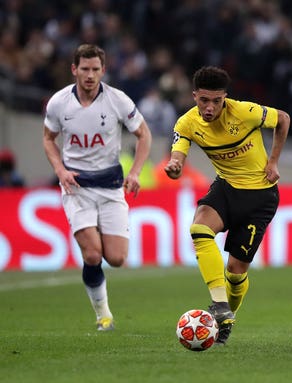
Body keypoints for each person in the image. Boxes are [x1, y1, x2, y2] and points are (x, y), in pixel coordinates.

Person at [164, 66, 290, 345]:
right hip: (227, 188)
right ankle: (219, 304)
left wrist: (273, 160)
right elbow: (178, 154)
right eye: (204, 100)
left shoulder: (245, 112)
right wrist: (175, 165)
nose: (210, 108)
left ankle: (227, 315)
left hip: (260, 197)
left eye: (216, 101)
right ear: (194, 96)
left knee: (236, 271)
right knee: (199, 228)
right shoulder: (186, 123)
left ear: (225, 98)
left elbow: (283, 119)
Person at [42, 44, 152, 331]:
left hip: (112, 186)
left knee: (116, 258)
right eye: (84, 69)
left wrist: (136, 172)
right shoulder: (59, 103)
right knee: (92, 255)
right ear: (74, 69)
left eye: (95, 69)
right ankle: (104, 316)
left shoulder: (118, 100)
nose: (89, 75)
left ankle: (99, 237)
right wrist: (60, 170)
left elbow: (144, 134)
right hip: (77, 187)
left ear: (103, 70)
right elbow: (48, 138)